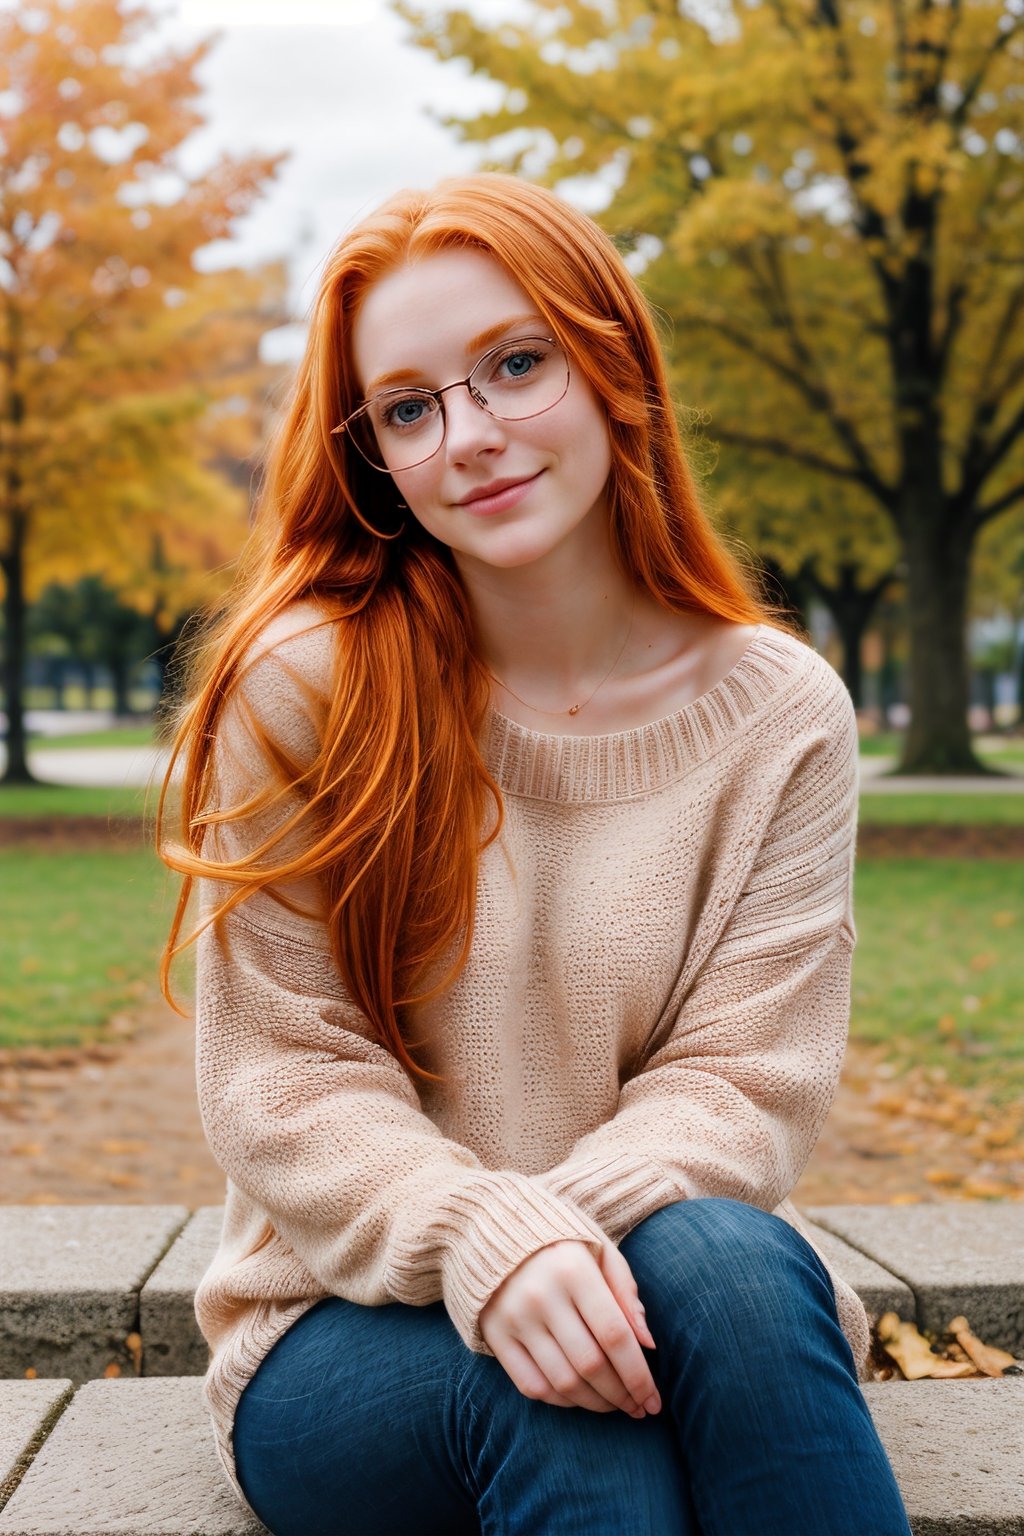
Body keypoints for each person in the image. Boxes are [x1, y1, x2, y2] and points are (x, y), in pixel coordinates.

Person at [159, 173, 912, 1536]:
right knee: (562, 1412)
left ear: (612, 358)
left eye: (516, 366)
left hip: (680, 1283)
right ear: (373, 453)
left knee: (731, 1268)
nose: (472, 436)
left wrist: (567, 1235)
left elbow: (748, 1079)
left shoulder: (783, 715)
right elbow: (285, 1073)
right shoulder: (304, 689)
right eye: (408, 406)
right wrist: (487, 1246)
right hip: (344, 1326)